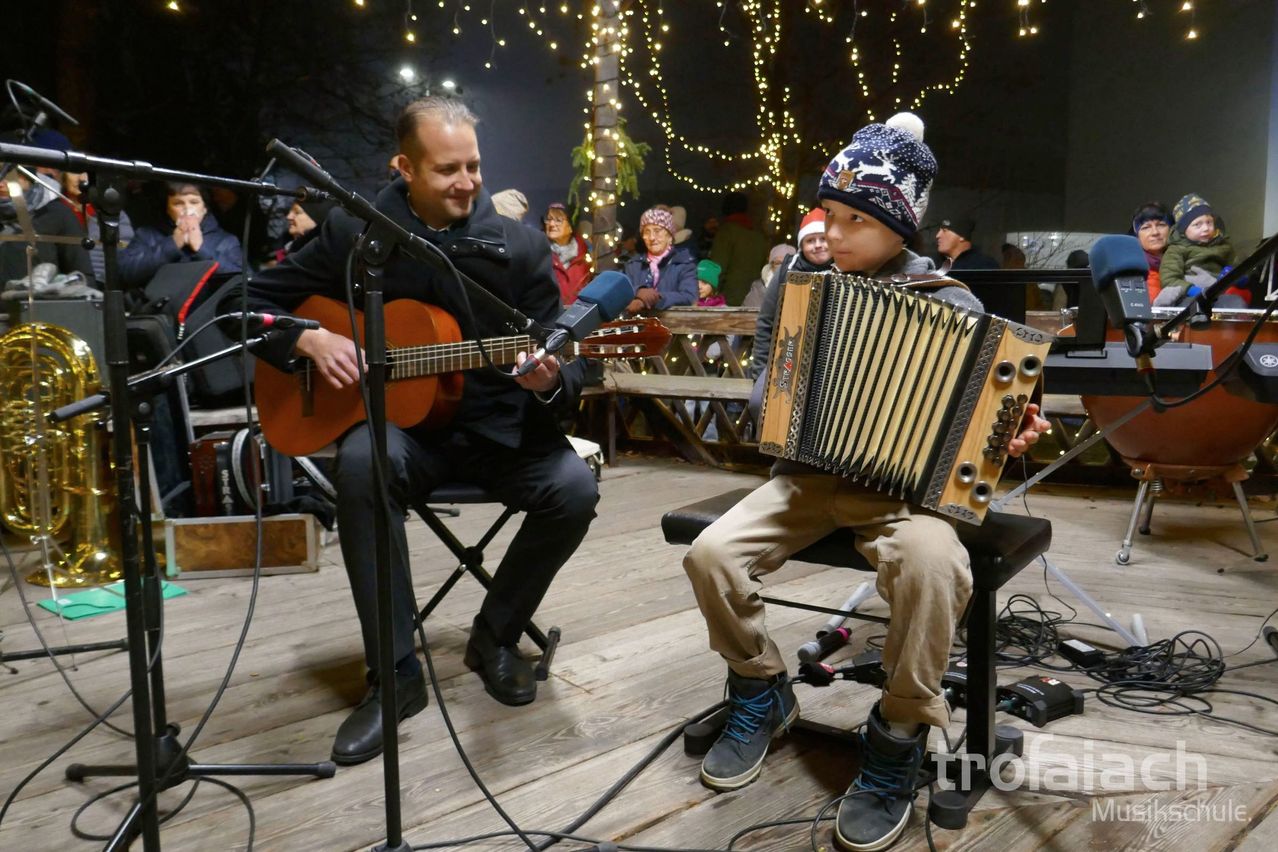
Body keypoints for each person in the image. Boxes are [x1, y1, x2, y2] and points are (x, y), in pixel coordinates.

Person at [682, 113, 1048, 852]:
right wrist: (774, 393)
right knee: (711, 554)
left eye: (857, 219)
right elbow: (768, 372)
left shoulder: (950, 300)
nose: (835, 231)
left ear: (900, 225)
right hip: (807, 477)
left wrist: (1007, 431)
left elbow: (989, 416)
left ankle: (900, 730)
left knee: (934, 566)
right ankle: (761, 688)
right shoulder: (804, 285)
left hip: (904, 496)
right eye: (830, 213)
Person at [243, 96, 599, 766]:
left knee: (575, 490)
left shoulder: (521, 248)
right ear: (404, 168)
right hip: (404, 433)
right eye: (447, 169)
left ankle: (495, 637)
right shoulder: (355, 233)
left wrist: (549, 379)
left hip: (499, 431)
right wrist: (307, 337)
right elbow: (247, 303)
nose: (467, 181)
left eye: (474, 166)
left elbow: (572, 360)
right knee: (360, 464)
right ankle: (395, 673)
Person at [0, 129, 94, 286]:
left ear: (28, 177)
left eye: (10, 174)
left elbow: (84, 279)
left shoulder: (57, 214)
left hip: (38, 301)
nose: (2, 183)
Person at [749, 209, 832, 382]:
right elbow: (766, 322)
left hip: (828, 367)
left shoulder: (845, 270)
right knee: (758, 397)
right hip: (784, 360)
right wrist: (760, 372)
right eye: (810, 240)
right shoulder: (786, 271)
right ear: (801, 245)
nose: (818, 245)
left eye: (823, 239)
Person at [118, 182, 243, 288]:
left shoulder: (226, 241)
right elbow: (124, 274)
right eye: (178, 203)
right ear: (168, 209)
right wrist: (172, 244)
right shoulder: (147, 235)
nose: (187, 209)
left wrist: (202, 249)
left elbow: (243, 282)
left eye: (194, 202)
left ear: (204, 208)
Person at [1155, 193, 1248, 308]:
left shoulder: (1224, 245)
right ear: (1183, 230)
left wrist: (1238, 277)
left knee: (1236, 302)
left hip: (1220, 294)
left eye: (1209, 222)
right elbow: (1169, 279)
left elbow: (1239, 266)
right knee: (1194, 309)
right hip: (1189, 297)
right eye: (1197, 225)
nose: (1206, 228)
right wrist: (1193, 290)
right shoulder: (1176, 249)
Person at [621, 206, 698, 314]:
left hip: (672, 323)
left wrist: (654, 299)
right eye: (647, 232)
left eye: (657, 231)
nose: (652, 237)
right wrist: (638, 291)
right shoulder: (633, 265)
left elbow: (689, 297)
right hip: (639, 324)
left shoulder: (684, 263)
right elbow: (619, 291)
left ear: (670, 236)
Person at [709, 192, 771, 305]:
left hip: (728, 299)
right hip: (753, 298)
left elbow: (717, 267)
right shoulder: (758, 236)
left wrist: (712, 296)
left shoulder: (727, 232)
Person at [543, 202, 592, 304]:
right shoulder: (540, 252)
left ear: (570, 226)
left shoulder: (586, 255)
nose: (551, 224)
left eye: (558, 220)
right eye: (549, 219)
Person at [1129, 201, 1173, 300]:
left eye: (1161, 225)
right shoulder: (1132, 270)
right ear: (1137, 235)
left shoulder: (1184, 262)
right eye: (1146, 227)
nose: (1155, 232)